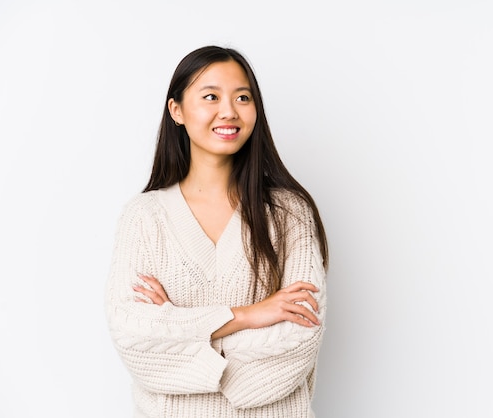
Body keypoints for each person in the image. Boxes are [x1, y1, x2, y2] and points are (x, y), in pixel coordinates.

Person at [104, 45, 329, 418]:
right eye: (211, 96)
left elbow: (299, 339)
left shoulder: (290, 213)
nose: (229, 111)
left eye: (243, 97)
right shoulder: (143, 218)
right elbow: (134, 337)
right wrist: (248, 315)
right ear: (176, 110)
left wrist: (180, 328)